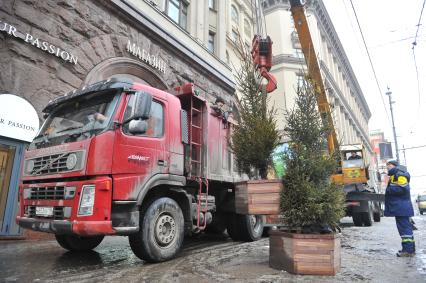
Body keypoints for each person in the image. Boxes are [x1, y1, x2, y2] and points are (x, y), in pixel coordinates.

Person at [384, 160, 415, 257]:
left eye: (389, 165)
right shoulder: (395, 175)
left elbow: (404, 188)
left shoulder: (399, 174)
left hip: (402, 208)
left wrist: (389, 190)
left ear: (394, 165)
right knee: (406, 229)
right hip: (401, 207)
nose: (387, 167)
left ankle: (408, 251)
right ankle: (410, 249)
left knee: (404, 229)